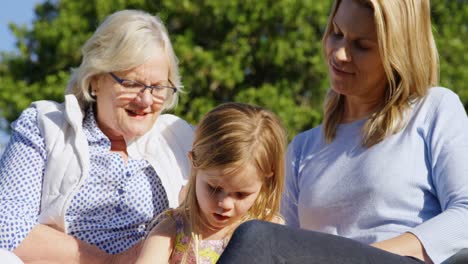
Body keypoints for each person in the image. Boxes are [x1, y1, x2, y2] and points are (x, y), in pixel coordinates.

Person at [218, 0, 468, 264]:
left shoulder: (433, 109)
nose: (339, 54)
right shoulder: (304, 147)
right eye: (337, 33)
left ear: (398, 53)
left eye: (361, 46)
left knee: (257, 237)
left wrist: (365, 258)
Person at [0, 10, 194, 263]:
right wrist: (108, 261)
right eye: (131, 84)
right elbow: (7, 225)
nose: (146, 100)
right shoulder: (46, 125)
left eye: (157, 87)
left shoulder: (179, 136)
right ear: (95, 80)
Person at [135, 102, 287, 264]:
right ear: (193, 165)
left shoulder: (270, 230)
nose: (225, 203)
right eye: (214, 189)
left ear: (265, 180)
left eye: (241, 194)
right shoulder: (172, 231)